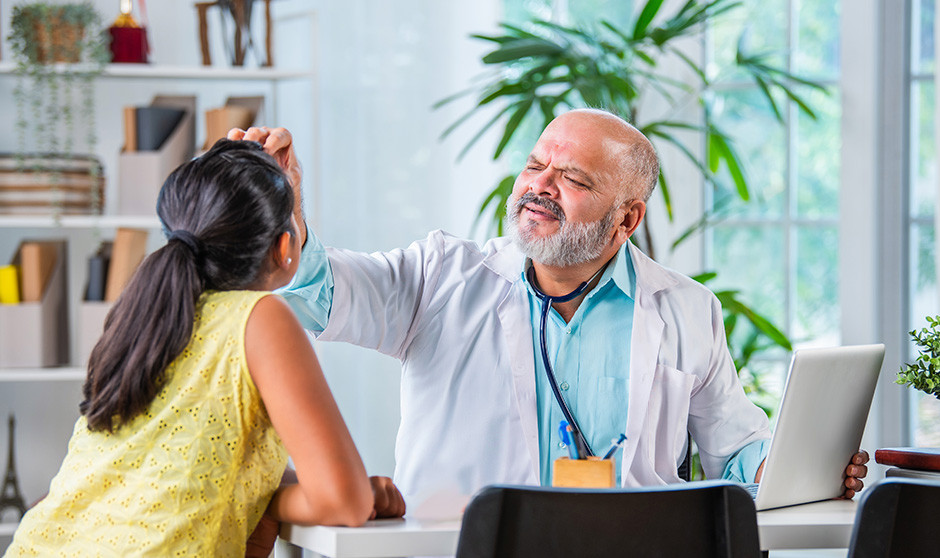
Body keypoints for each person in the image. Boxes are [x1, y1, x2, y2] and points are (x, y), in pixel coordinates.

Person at [229, 108, 868, 508]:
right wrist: (284, 208)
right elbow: (316, 291)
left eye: (573, 178)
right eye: (536, 165)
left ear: (627, 219)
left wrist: (807, 465)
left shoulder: (686, 309)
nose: (540, 185)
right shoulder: (439, 276)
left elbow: (737, 452)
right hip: (466, 549)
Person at [4, 140, 405, 557]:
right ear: (286, 248)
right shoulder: (260, 317)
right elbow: (343, 502)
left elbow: (199, 456)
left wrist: (306, 487)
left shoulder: (146, 313)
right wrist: (282, 499)